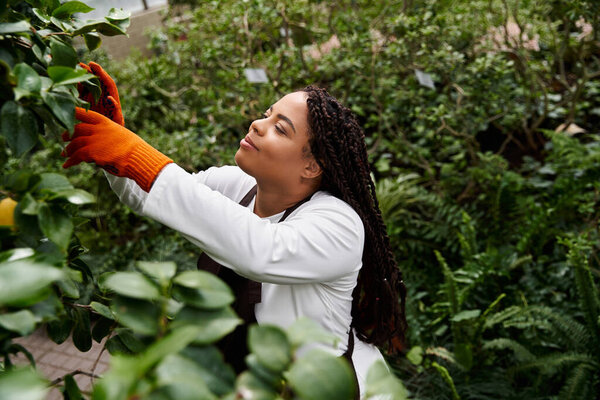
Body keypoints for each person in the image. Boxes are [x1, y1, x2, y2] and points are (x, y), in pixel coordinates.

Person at [64, 63, 408, 398]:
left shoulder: (339, 224)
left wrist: (135, 154)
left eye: (280, 128)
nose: (257, 124)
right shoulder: (237, 185)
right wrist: (117, 145)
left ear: (312, 165)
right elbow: (154, 195)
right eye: (267, 113)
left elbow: (259, 250)